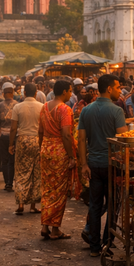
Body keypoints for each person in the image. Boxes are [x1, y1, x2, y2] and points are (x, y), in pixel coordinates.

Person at [78, 75, 128, 256]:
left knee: (95, 205)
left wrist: (83, 164)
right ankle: (107, 243)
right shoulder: (116, 111)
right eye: (118, 87)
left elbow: (81, 140)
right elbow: (124, 139)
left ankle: (94, 247)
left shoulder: (86, 110)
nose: (120, 91)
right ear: (109, 89)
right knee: (113, 205)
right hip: (112, 165)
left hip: (93, 164)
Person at [39, 80, 79, 239]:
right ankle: (55, 229)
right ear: (64, 92)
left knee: (47, 189)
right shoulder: (64, 109)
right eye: (70, 91)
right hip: (59, 152)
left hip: (46, 149)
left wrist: (41, 149)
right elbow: (66, 135)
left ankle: (45, 225)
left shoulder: (44, 107)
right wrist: (71, 156)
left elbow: (40, 131)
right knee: (59, 191)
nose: (71, 94)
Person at [9, 83, 44, 215]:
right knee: (36, 173)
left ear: (24, 93)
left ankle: (21, 204)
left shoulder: (18, 107)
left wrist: (11, 144)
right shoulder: (42, 107)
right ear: (35, 93)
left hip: (23, 140)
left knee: (21, 172)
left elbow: (13, 128)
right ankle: (33, 206)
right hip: (37, 140)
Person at [0, 83, 18, 192]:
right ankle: (10, 183)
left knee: (4, 160)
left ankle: (7, 182)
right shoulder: (17, 105)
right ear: (12, 92)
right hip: (14, 136)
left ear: (3, 93)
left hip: (2, 135)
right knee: (12, 160)